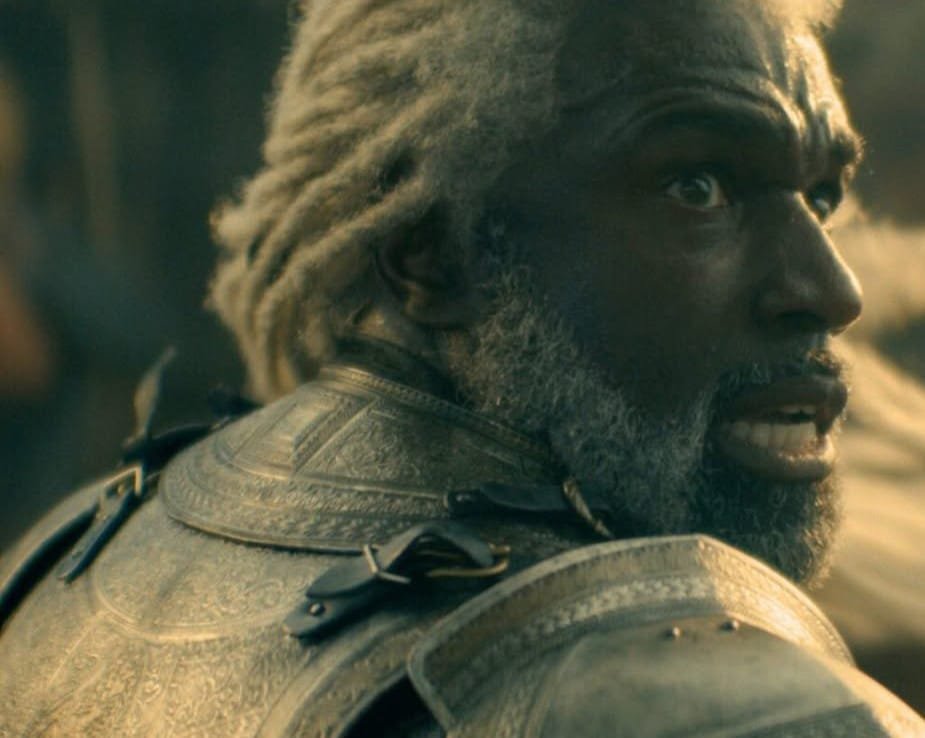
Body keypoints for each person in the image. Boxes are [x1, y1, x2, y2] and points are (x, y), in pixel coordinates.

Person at [0, 1, 922, 735]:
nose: (831, 291)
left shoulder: (70, 555)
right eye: (698, 187)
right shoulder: (737, 713)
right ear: (433, 256)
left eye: (821, 195)